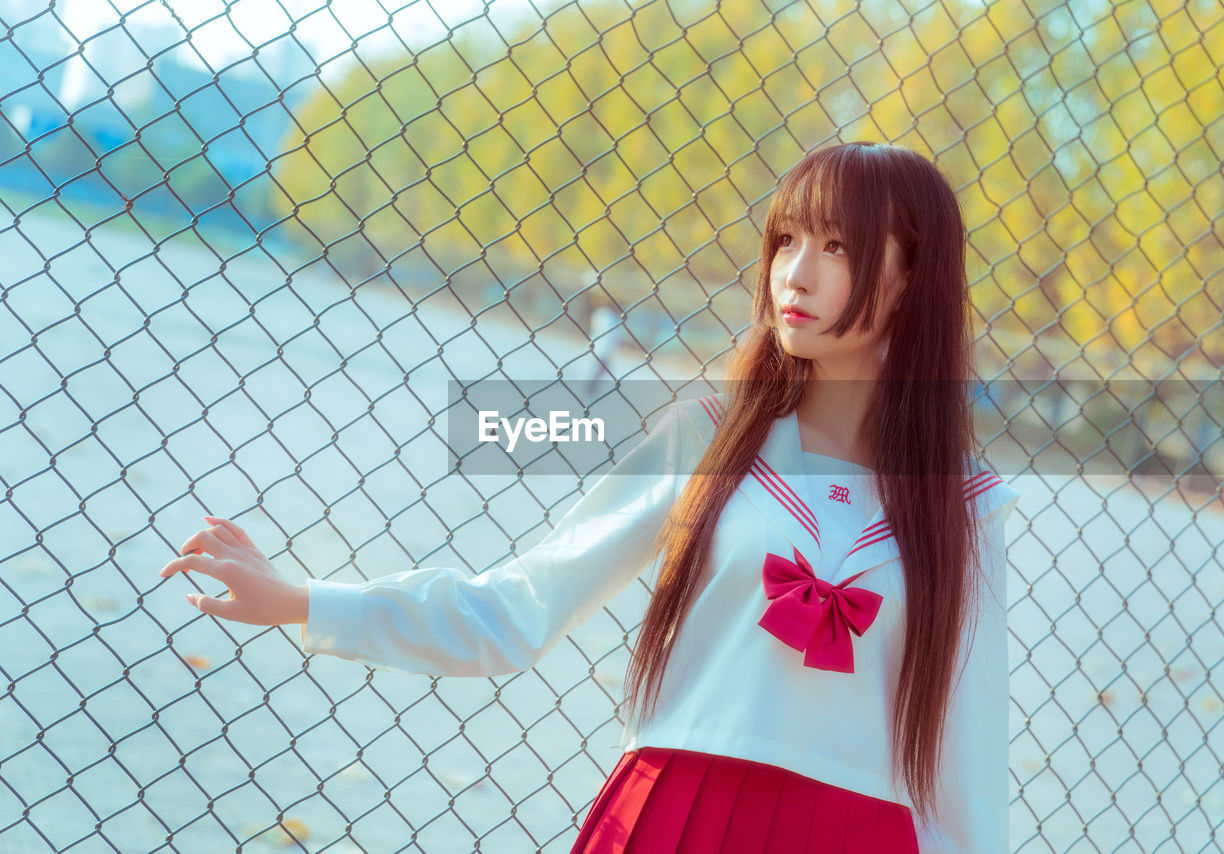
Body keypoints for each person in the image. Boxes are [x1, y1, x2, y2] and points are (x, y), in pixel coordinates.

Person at [158, 141, 1020, 853]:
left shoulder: (966, 509)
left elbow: (965, 768)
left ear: (913, 276)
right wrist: (307, 601)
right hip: (676, 817)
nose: (794, 274)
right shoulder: (708, 441)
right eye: (786, 241)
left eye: (836, 247)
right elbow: (523, 602)